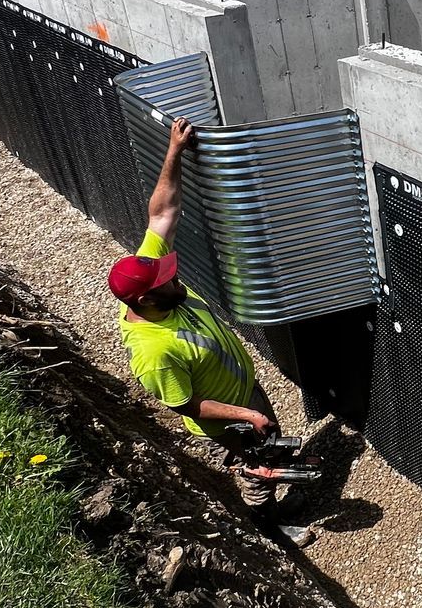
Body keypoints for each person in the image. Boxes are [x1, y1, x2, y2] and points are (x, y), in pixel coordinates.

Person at [109, 117, 315, 546]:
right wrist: (246, 414)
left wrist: (174, 150)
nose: (172, 275)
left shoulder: (149, 277)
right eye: (165, 279)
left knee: (270, 448)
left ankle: (276, 502)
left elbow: (162, 211)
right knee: (254, 469)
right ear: (144, 300)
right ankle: (273, 528)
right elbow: (185, 405)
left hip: (244, 395)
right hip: (225, 423)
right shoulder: (153, 350)